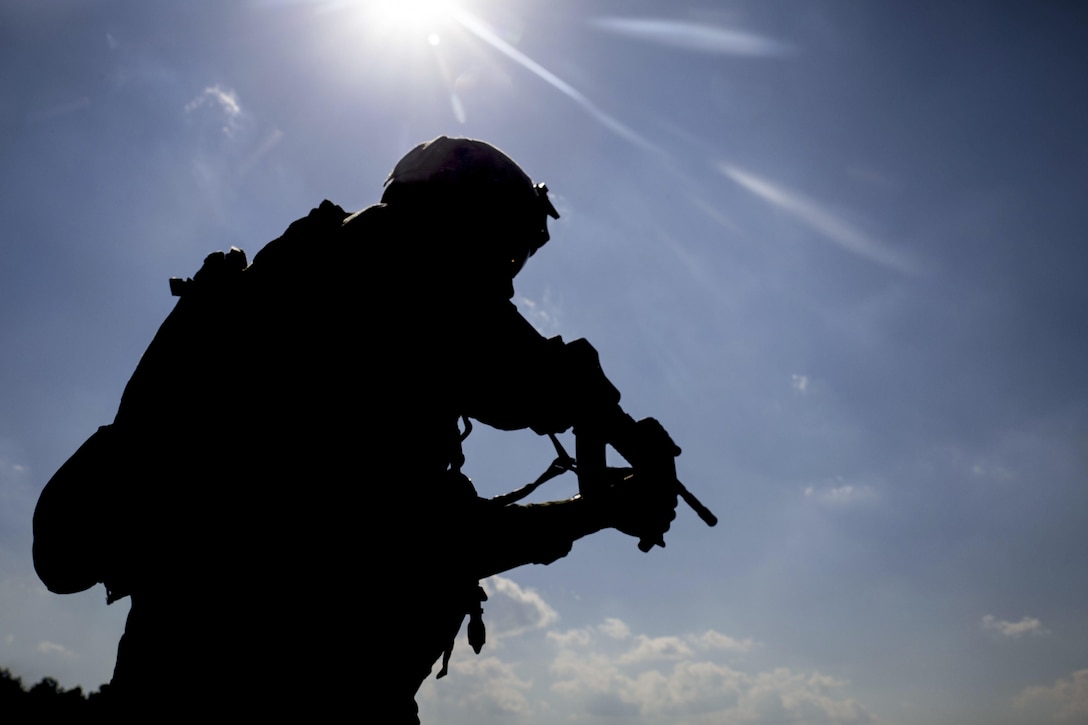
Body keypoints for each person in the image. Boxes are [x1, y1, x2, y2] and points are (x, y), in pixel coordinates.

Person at [33, 136, 683, 721]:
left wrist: (591, 476)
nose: (506, 288)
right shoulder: (392, 277)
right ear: (459, 229)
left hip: (178, 676)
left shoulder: (308, 282)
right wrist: (599, 497)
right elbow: (432, 539)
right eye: (502, 252)